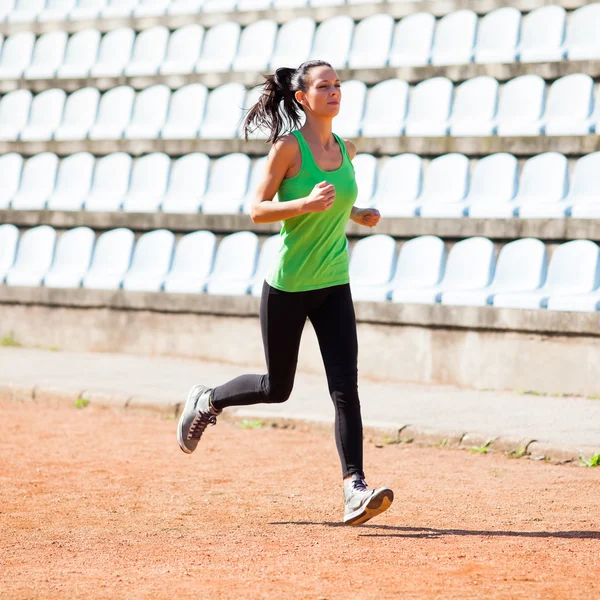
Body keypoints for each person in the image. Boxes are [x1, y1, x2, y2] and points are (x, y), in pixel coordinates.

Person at [177, 60, 393, 526]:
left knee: (345, 389)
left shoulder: (344, 147)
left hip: (334, 281)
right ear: (302, 97)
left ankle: (354, 488)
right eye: (324, 86)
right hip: (288, 286)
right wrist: (305, 203)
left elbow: (335, 198)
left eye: (337, 85)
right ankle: (208, 399)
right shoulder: (287, 149)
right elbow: (257, 210)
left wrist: (356, 214)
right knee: (278, 388)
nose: (334, 92)